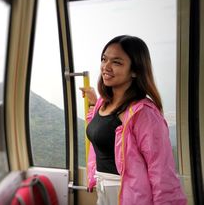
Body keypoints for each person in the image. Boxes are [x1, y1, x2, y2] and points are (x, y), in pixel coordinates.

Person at [80, 35, 187, 205]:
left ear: (135, 70)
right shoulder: (103, 103)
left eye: (116, 62)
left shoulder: (144, 114)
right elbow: (100, 128)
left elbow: (161, 172)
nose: (106, 67)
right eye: (104, 59)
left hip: (129, 194)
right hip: (103, 191)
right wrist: (94, 101)